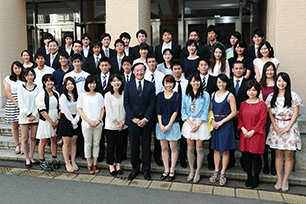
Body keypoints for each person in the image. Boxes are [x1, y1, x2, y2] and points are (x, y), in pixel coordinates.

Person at [266, 72, 302, 192]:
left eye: (283, 81)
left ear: (287, 82)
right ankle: (279, 178)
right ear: (276, 82)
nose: (281, 83)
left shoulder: (293, 96)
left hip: (289, 128)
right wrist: (275, 126)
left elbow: (296, 113)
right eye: (279, 81)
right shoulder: (271, 96)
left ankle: (286, 179)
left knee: (289, 155)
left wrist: (287, 128)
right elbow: (270, 113)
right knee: (278, 154)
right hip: (276, 127)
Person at [124, 62, 156, 181]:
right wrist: (133, 118)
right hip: (133, 122)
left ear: (145, 71)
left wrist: (146, 119)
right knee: (134, 146)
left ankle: (146, 170)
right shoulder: (128, 85)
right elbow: (126, 103)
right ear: (133, 72)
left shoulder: (150, 85)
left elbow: (152, 103)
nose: (139, 72)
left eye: (141, 70)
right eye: (137, 70)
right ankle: (135, 169)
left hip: (146, 122)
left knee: (146, 146)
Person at [238, 80, 267, 188]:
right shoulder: (243, 104)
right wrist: (243, 129)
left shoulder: (262, 105)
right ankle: (249, 176)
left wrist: (253, 131)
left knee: (255, 156)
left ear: (258, 91)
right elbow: (240, 118)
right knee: (246, 155)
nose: (251, 92)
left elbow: (262, 120)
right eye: (249, 90)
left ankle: (256, 177)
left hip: (256, 134)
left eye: (254, 90)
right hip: (245, 133)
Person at [181, 73, 210, 183]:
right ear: (190, 82)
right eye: (193, 81)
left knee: (199, 147)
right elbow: (183, 110)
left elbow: (205, 111)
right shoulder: (186, 94)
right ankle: (191, 170)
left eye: (197, 81)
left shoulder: (205, 94)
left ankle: (198, 171)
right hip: (189, 123)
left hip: (200, 123)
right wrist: (190, 123)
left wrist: (197, 124)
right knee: (190, 147)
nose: (195, 83)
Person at [210, 74, 237, 186]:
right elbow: (210, 110)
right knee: (216, 149)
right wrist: (213, 122)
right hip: (215, 123)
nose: (221, 84)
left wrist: (221, 122)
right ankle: (216, 170)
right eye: (219, 82)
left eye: (223, 82)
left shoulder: (230, 96)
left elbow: (234, 112)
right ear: (216, 83)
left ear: (227, 83)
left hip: (225, 124)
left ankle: (223, 172)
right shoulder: (213, 94)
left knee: (225, 150)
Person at [77, 75, 105, 174]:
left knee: (97, 144)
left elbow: (102, 109)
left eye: (94, 83)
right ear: (87, 84)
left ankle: (95, 163)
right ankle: (89, 164)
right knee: (87, 144)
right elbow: (79, 110)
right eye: (90, 83)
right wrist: (89, 121)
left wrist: (99, 120)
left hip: (98, 124)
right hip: (86, 124)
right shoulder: (82, 96)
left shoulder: (99, 95)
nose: (92, 85)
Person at [156, 75, 181, 181]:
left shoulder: (177, 95)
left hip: (173, 124)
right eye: (166, 83)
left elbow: (176, 111)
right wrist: (161, 125)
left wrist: (169, 125)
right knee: (164, 148)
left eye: (170, 83)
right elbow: (158, 111)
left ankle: (172, 170)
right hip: (161, 124)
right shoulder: (159, 95)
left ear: (173, 84)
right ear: (163, 84)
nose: (168, 85)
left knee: (173, 148)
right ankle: (166, 170)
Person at [36, 74, 61, 171]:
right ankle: (42, 162)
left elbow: (59, 108)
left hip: (55, 119)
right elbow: (42, 111)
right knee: (43, 141)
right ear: (44, 82)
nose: (50, 83)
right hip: (46, 120)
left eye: (51, 81)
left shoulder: (56, 93)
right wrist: (51, 122)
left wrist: (57, 120)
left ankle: (54, 159)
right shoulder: (41, 94)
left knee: (54, 140)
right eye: (48, 81)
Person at [196, 57, 218, 170]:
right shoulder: (195, 80)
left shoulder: (214, 80)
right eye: (201, 65)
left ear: (208, 67)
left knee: (210, 137)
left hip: (210, 112)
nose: (203, 67)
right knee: (197, 138)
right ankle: (196, 161)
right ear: (198, 67)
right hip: (196, 113)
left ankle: (210, 161)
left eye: (205, 65)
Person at [104, 74, 128, 176]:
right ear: (110, 83)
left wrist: (123, 122)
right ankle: (111, 165)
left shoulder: (125, 94)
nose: (116, 83)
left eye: (118, 80)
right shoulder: (108, 95)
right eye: (114, 81)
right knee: (111, 146)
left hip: (124, 125)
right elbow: (108, 111)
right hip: (111, 125)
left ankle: (118, 164)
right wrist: (117, 123)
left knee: (120, 146)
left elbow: (127, 109)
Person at [144, 53, 165, 166]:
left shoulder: (162, 76)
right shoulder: (143, 75)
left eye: (153, 61)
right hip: (146, 109)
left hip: (158, 109)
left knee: (158, 136)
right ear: (146, 64)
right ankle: (146, 156)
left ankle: (158, 156)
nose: (152, 64)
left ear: (157, 63)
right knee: (146, 136)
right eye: (149, 62)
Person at [228, 61, 249, 169]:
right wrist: (232, 111)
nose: (238, 70)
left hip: (244, 116)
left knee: (244, 140)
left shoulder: (249, 82)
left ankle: (244, 162)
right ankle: (230, 161)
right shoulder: (226, 82)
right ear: (232, 70)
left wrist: (239, 111)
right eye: (236, 68)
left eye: (241, 68)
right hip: (230, 116)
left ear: (244, 69)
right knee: (230, 139)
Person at [18, 68, 40, 168]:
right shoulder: (21, 88)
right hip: (24, 116)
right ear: (24, 76)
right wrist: (28, 114)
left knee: (33, 138)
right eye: (27, 75)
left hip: (35, 116)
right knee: (25, 138)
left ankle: (31, 157)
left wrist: (34, 114)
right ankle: (26, 158)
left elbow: (40, 102)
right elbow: (21, 103)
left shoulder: (38, 87)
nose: (30, 77)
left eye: (31, 75)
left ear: (34, 76)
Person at [57, 77, 80, 172]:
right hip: (66, 120)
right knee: (66, 143)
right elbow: (65, 110)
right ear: (65, 86)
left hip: (76, 119)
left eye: (71, 84)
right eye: (68, 84)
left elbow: (80, 108)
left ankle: (73, 161)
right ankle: (67, 162)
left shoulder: (77, 96)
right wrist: (72, 121)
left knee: (74, 142)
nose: (70, 86)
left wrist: (76, 119)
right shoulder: (63, 96)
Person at [259, 62, 277, 175]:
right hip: (265, 116)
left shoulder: (279, 83)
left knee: (274, 142)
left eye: (271, 70)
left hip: (276, 117)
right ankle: (265, 163)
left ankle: (273, 165)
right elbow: (260, 101)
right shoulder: (261, 84)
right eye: (267, 70)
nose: (269, 72)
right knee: (265, 142)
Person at [171, 59, 188, 168]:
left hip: (184, 113)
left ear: (182, 70)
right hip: (171, 113)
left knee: (183, 137)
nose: (177, 71)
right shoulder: (168, 82)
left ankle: (182, 158)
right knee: (172, 137)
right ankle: (172, 157)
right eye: (175, 69)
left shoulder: (187, 82)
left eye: (179, 69)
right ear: (172, 70)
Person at [4, 61, 24, 154]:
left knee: (23, 126)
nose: (17, 70)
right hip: (13, 103)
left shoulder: (24, 78)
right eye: (15, 68)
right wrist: (17, 104)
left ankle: (24, 145)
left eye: (19, 68)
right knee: (14, 125)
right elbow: (8, 93)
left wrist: (22, 104)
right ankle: (17, 145)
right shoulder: (8, 79)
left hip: (23, 103)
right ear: (12, 69)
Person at [95, 57, 112, 162]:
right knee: (99, 135)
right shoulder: (95, 78)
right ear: (99, 66)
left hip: (111, 111)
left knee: (111, 135)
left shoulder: (114, 78)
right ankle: (100, 155)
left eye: (106, 65)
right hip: (99, 110)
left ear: (110, 66)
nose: (104, 67)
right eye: (102, 65)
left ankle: (111, 155)